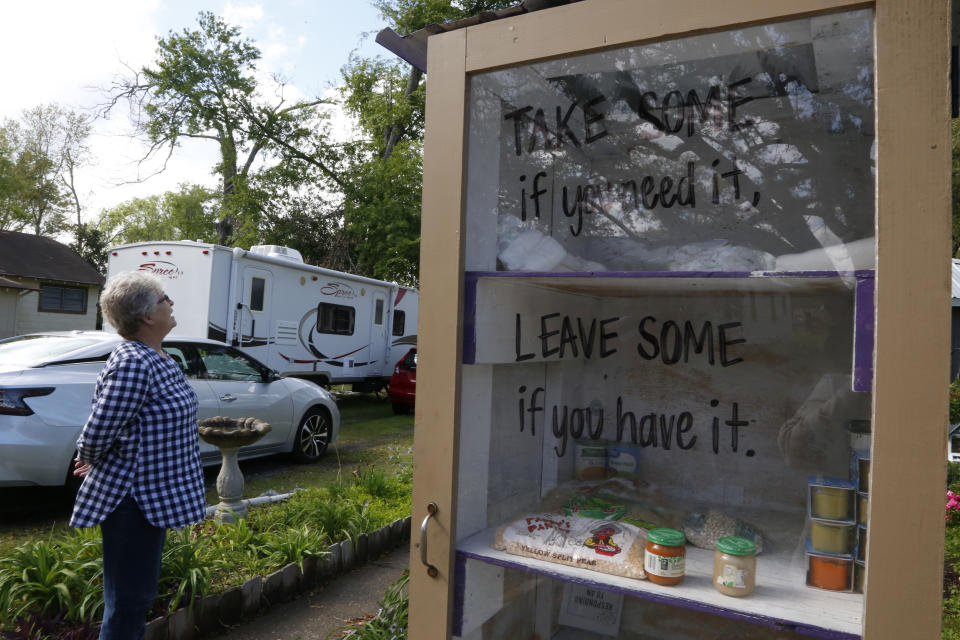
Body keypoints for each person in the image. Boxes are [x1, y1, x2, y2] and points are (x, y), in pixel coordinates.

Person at [70, 271, 206, 640]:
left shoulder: (157, 356)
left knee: (136, 599)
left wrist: (96, 454)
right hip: (133, 503)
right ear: (147, 316)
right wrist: (91, 456)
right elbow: (98, 431)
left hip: (150, 501)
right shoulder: (134, 362)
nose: (171, 303)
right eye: (164, 299)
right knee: (128, 604)